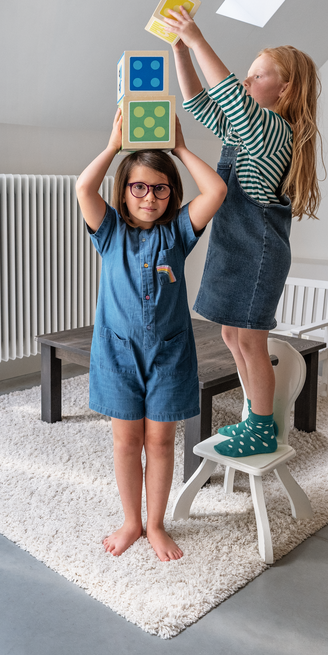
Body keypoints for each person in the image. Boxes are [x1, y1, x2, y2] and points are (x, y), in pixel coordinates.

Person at [162, 6, 322, 459]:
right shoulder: (245, 131)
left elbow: (229, 94)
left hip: (257, 252)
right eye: (247, 75)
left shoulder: (274, 130)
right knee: (232, 336)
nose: (247, 82)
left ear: (285, 89)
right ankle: (254, 414)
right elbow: (199, 104)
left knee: (250, 339)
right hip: (234, 248)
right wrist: (181, 52)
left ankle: (262, 427)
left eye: (257, 75)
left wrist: (197, 39)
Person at [76, 108, 226, 561]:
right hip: (117, 356)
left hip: (170, 356)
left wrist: (180, 147)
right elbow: (83, 187)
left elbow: (216, 189)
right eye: (138, 187)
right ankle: (131, 522)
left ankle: (156, 525)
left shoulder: (179, 232)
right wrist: (112, 146)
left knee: (160, 442)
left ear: (171, 192)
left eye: (160, 188)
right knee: (127, 441)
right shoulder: (109, 232)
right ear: (123, 192)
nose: (149, 196)